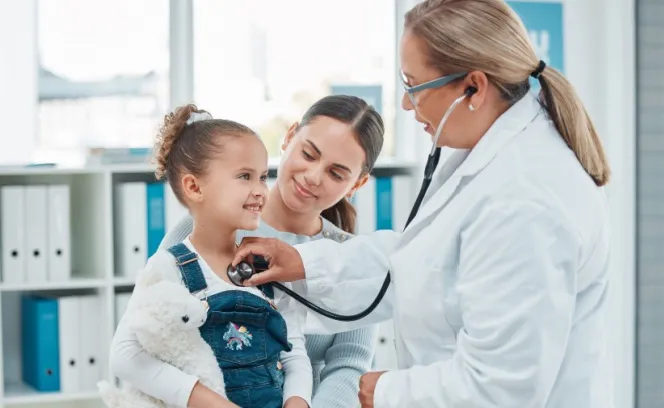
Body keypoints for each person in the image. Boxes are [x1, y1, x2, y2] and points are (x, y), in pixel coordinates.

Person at [230, 0, 614, 407]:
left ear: (473, 88)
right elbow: (425, 262)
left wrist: (389, 392)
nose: (406, 105)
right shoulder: (491, 158)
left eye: (414, 86)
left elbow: (501, 388)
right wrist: (306, 262)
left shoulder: (526, 198)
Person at [158, 94, 384, 408]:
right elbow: (152, 329)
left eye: (336, 173)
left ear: (357, 184)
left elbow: (349, 363)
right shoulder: (205, 223)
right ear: (289, 137)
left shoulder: (353, 260)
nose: (313, 176)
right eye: (308, 154)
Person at [109, 104, 312, 408]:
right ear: (194, 186)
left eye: (262, 176)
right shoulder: (168, 267)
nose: (260, 190)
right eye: (244, 176)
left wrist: (298, 401)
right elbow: (125, 356)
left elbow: (294, 352)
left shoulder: (268, 267)